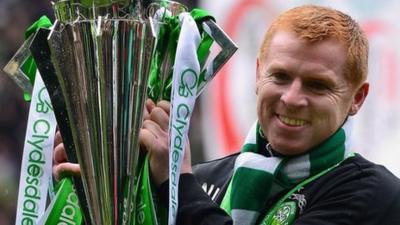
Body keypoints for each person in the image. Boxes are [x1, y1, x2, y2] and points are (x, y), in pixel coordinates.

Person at [54, 4, 400, 225]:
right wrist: (101, 194)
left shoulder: (375, 195)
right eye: (280, 77)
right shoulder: (210, 178)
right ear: (257, 75)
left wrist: (178, 182)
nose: (292, 98)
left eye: (317, 85)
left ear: (357, 98)